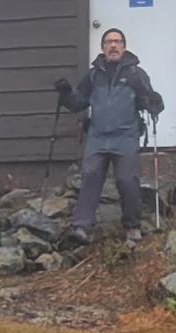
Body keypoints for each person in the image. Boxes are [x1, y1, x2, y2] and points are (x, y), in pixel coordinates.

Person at [56, 28, 163, 243]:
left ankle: (132, 227)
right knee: (90, 178)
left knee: (126, 180)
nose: (113, 45)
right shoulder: (94, 75)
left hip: (125, 136)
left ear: (124, 46)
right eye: (108, 42)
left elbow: (150, 104)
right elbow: (78, 103)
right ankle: (81, 228)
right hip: (97, 136)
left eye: (117, 41)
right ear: (103, 47)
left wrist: (153, 101)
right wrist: (65, 94)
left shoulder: (136, 74)